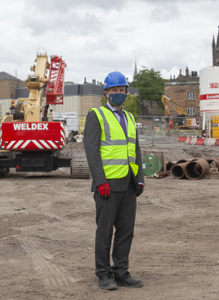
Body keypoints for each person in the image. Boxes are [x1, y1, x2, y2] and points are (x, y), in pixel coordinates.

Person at [84, 71, 145, 290]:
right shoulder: (96, 115)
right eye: (114, 90)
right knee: (105, 231)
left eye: (122, 90)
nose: (118, 93)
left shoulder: (129, 117)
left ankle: (121, 271)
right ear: (106, 92)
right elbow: (92, 151)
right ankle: (103, 274)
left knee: (126, 231)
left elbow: (135, 149)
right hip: (107, 185)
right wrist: (100, 181)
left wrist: (140, 178)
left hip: (128, 184)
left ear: (126, 92)